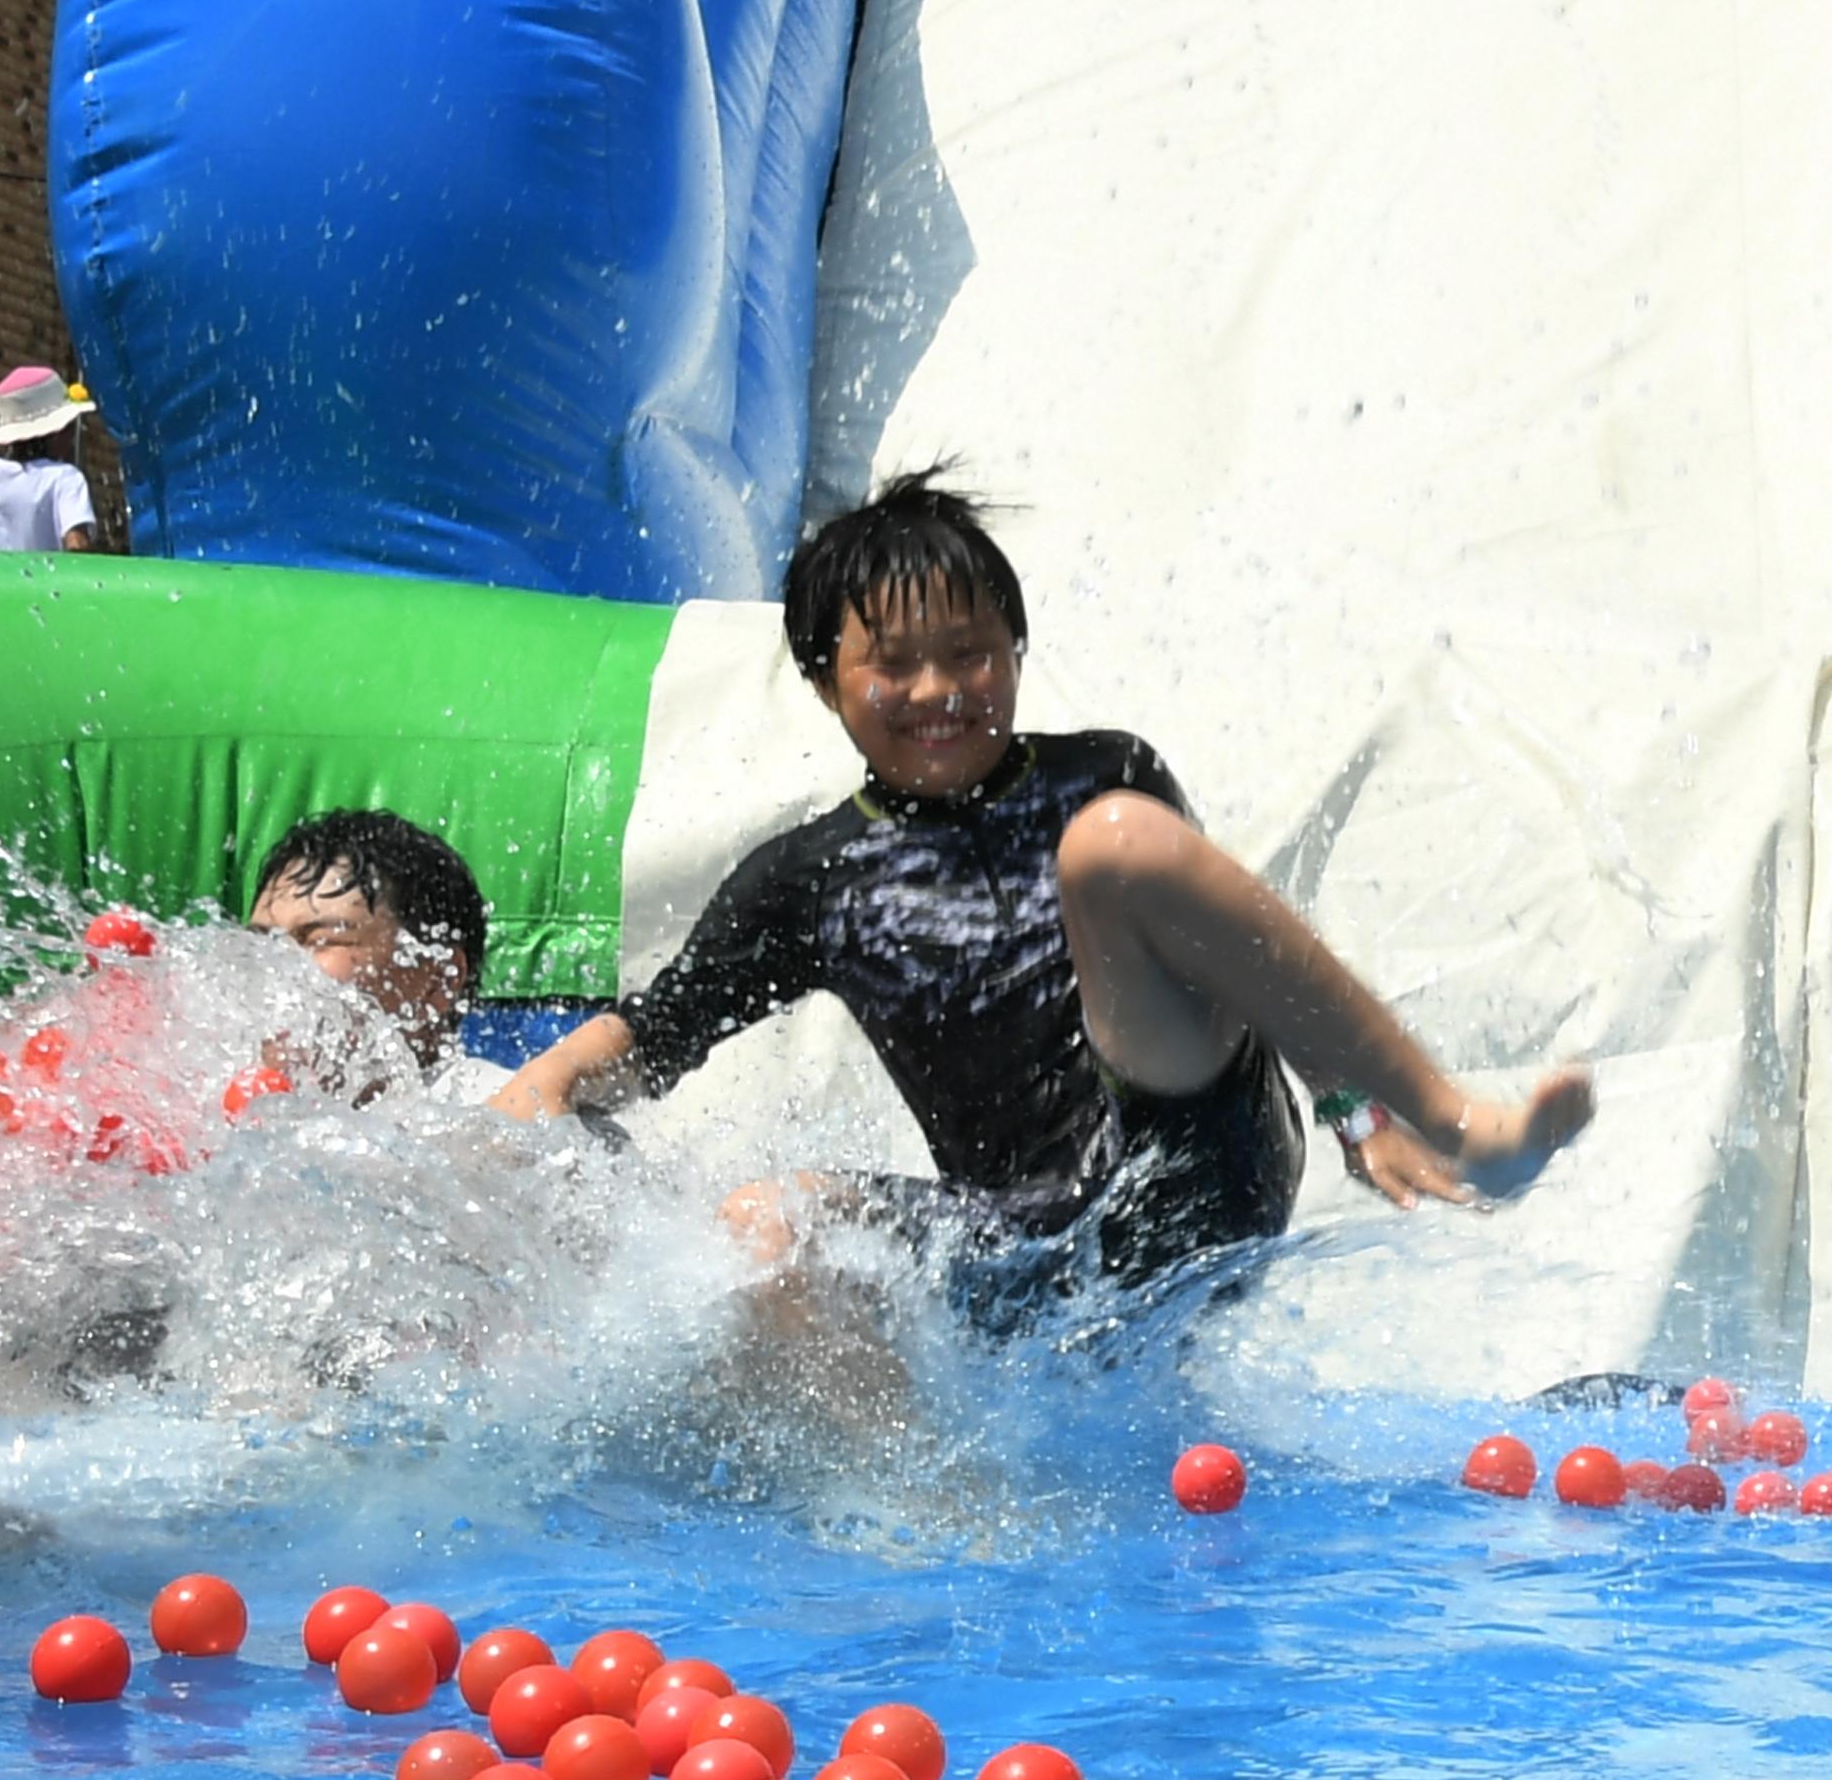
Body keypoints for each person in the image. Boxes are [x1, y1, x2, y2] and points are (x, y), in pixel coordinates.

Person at [488, 477, 1593, 1302]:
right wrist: (539, 1089)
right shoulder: (808, 878)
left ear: (1015, 649)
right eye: (895, 664)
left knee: (1114, 846)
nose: (939, 691)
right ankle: (911, 1514)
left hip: (1191, 1162)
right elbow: (663, 1026)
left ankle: (1455, 1123)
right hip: (1027, 1246)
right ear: (825, 683)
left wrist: (1357, 1112)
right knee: (765, 1223)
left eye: (970, 653)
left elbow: (1236, 965)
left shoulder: (1101, 775)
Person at [249, 809, 488, 1083]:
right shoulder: (212, 1101)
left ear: (439, 981)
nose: (274, 962)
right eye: (262, 942)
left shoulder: (496, 1108)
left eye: (319, 940)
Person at [0, 366, 104, 554]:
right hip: (47, 583)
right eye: (70, 427)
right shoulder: (65, 478)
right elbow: (77, 546)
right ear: (55, 433)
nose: (72, 437)